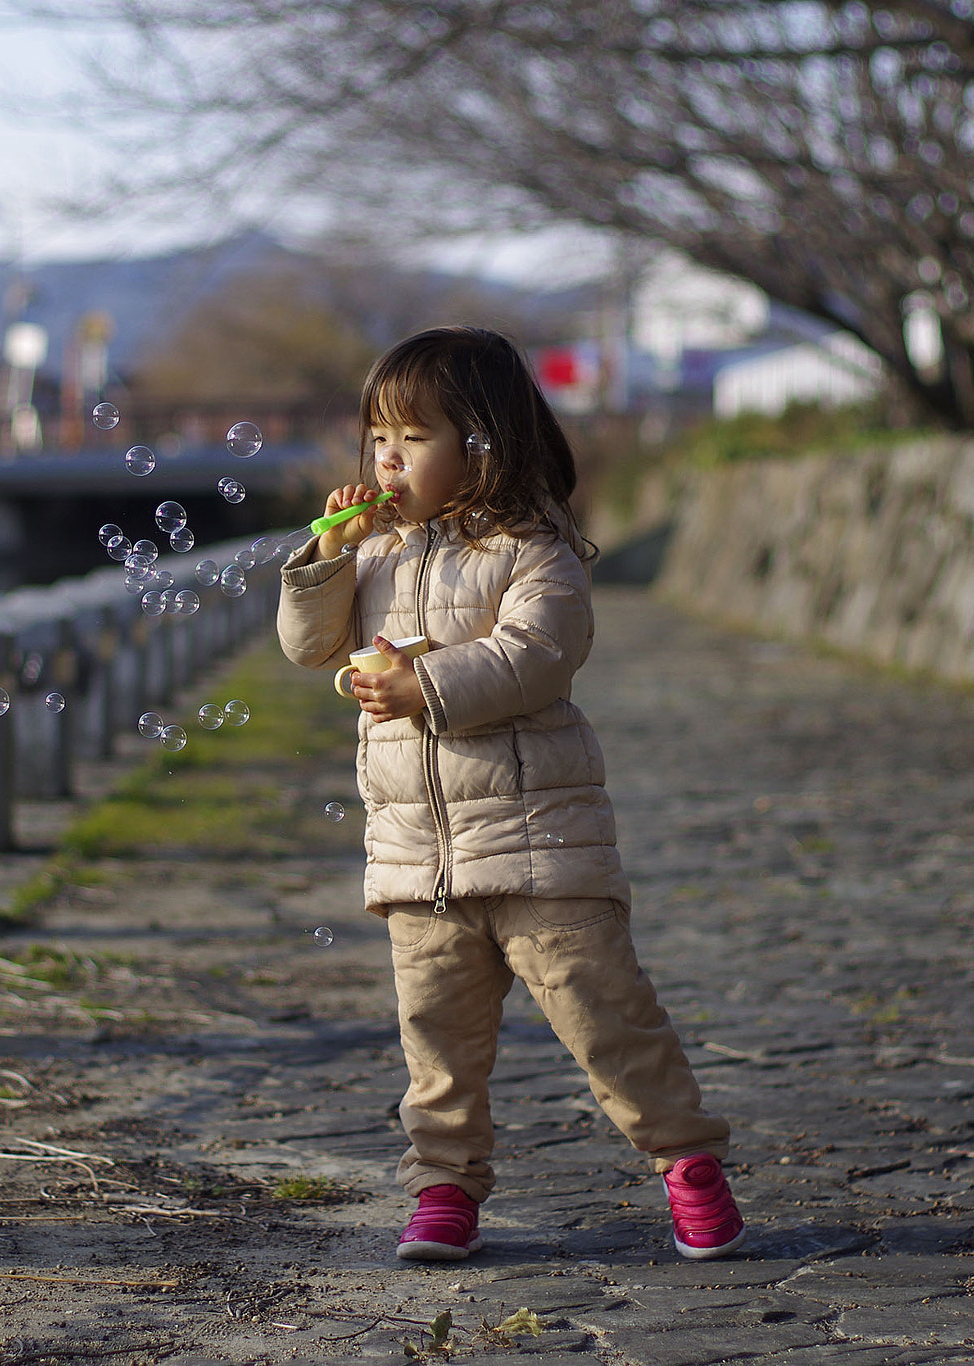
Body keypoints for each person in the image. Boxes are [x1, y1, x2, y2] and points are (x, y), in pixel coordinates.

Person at [276, 325, 743, 1262]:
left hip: (542, 852)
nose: (389, 458)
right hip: (420, 865)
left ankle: (686, 1162)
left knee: (607, 1018)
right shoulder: (375, 555)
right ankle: (444, 1191)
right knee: (436, 1053)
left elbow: (537, 655)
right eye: (379, 439)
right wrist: (328, 556)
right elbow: (305, 645)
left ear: (482, 443)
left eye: (413, 438)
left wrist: (428, 684)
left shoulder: (538, 550)